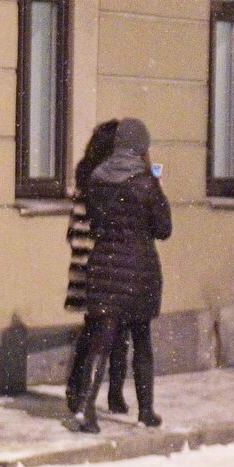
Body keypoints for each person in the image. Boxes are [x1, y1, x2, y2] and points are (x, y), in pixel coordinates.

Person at [67, 118, 172, 434]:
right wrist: (158, 189)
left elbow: (96, 226)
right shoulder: (146, 183)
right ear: (141, 146)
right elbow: (163, 229)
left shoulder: (96, 180)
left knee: (100, 339)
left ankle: (87, 408)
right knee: (141, 340)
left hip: (104, 265)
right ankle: (146, 412)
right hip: (139, 270)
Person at [65, 119, 131, 414]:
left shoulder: (90, 178)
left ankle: (83, 390)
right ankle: (97, 393)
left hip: (90, 266)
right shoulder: (103, 182)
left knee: (99, 330)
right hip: (102, 268)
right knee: (109, 332)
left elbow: (75, 230)